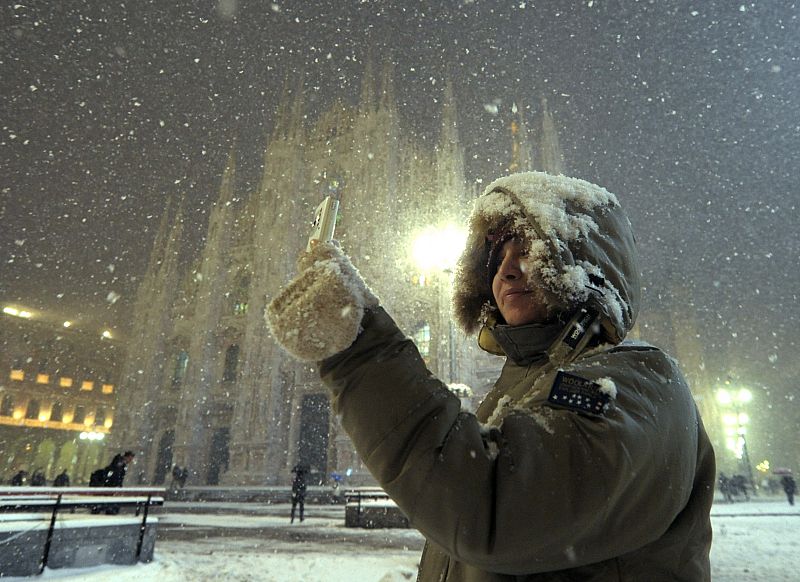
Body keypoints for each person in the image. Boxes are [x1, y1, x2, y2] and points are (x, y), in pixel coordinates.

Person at [267, 171, 715, 580]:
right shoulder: (519, 386)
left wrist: (359, 344)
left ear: (584, 262)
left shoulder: (641, 381)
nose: (506, 269)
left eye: (527, 250)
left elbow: (493, 507)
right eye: (497, 257)